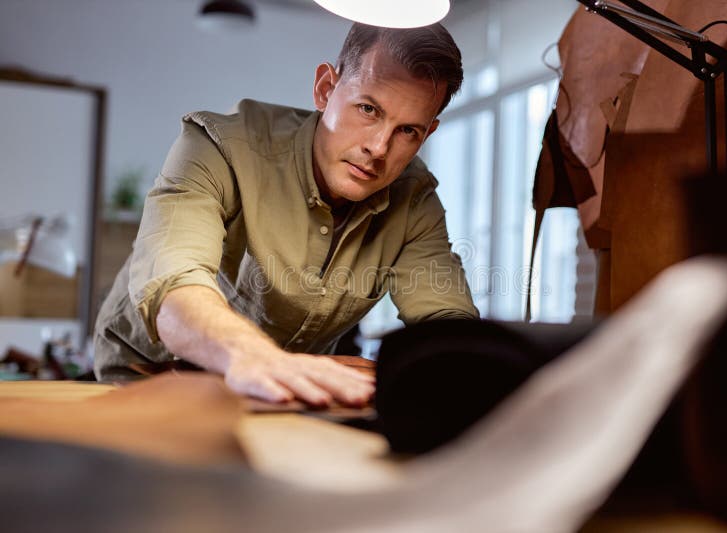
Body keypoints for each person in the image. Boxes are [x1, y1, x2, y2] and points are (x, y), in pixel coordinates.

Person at [93, 23, 479, 406]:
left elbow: (446, 326)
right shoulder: (218, 146)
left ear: (426, 135)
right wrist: (259, 358)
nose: (379, 148)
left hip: (285, 395)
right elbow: (175, 283)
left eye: (407, 130)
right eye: (368, 109)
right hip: (143, 381)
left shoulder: (414, 198)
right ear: (325, 89)